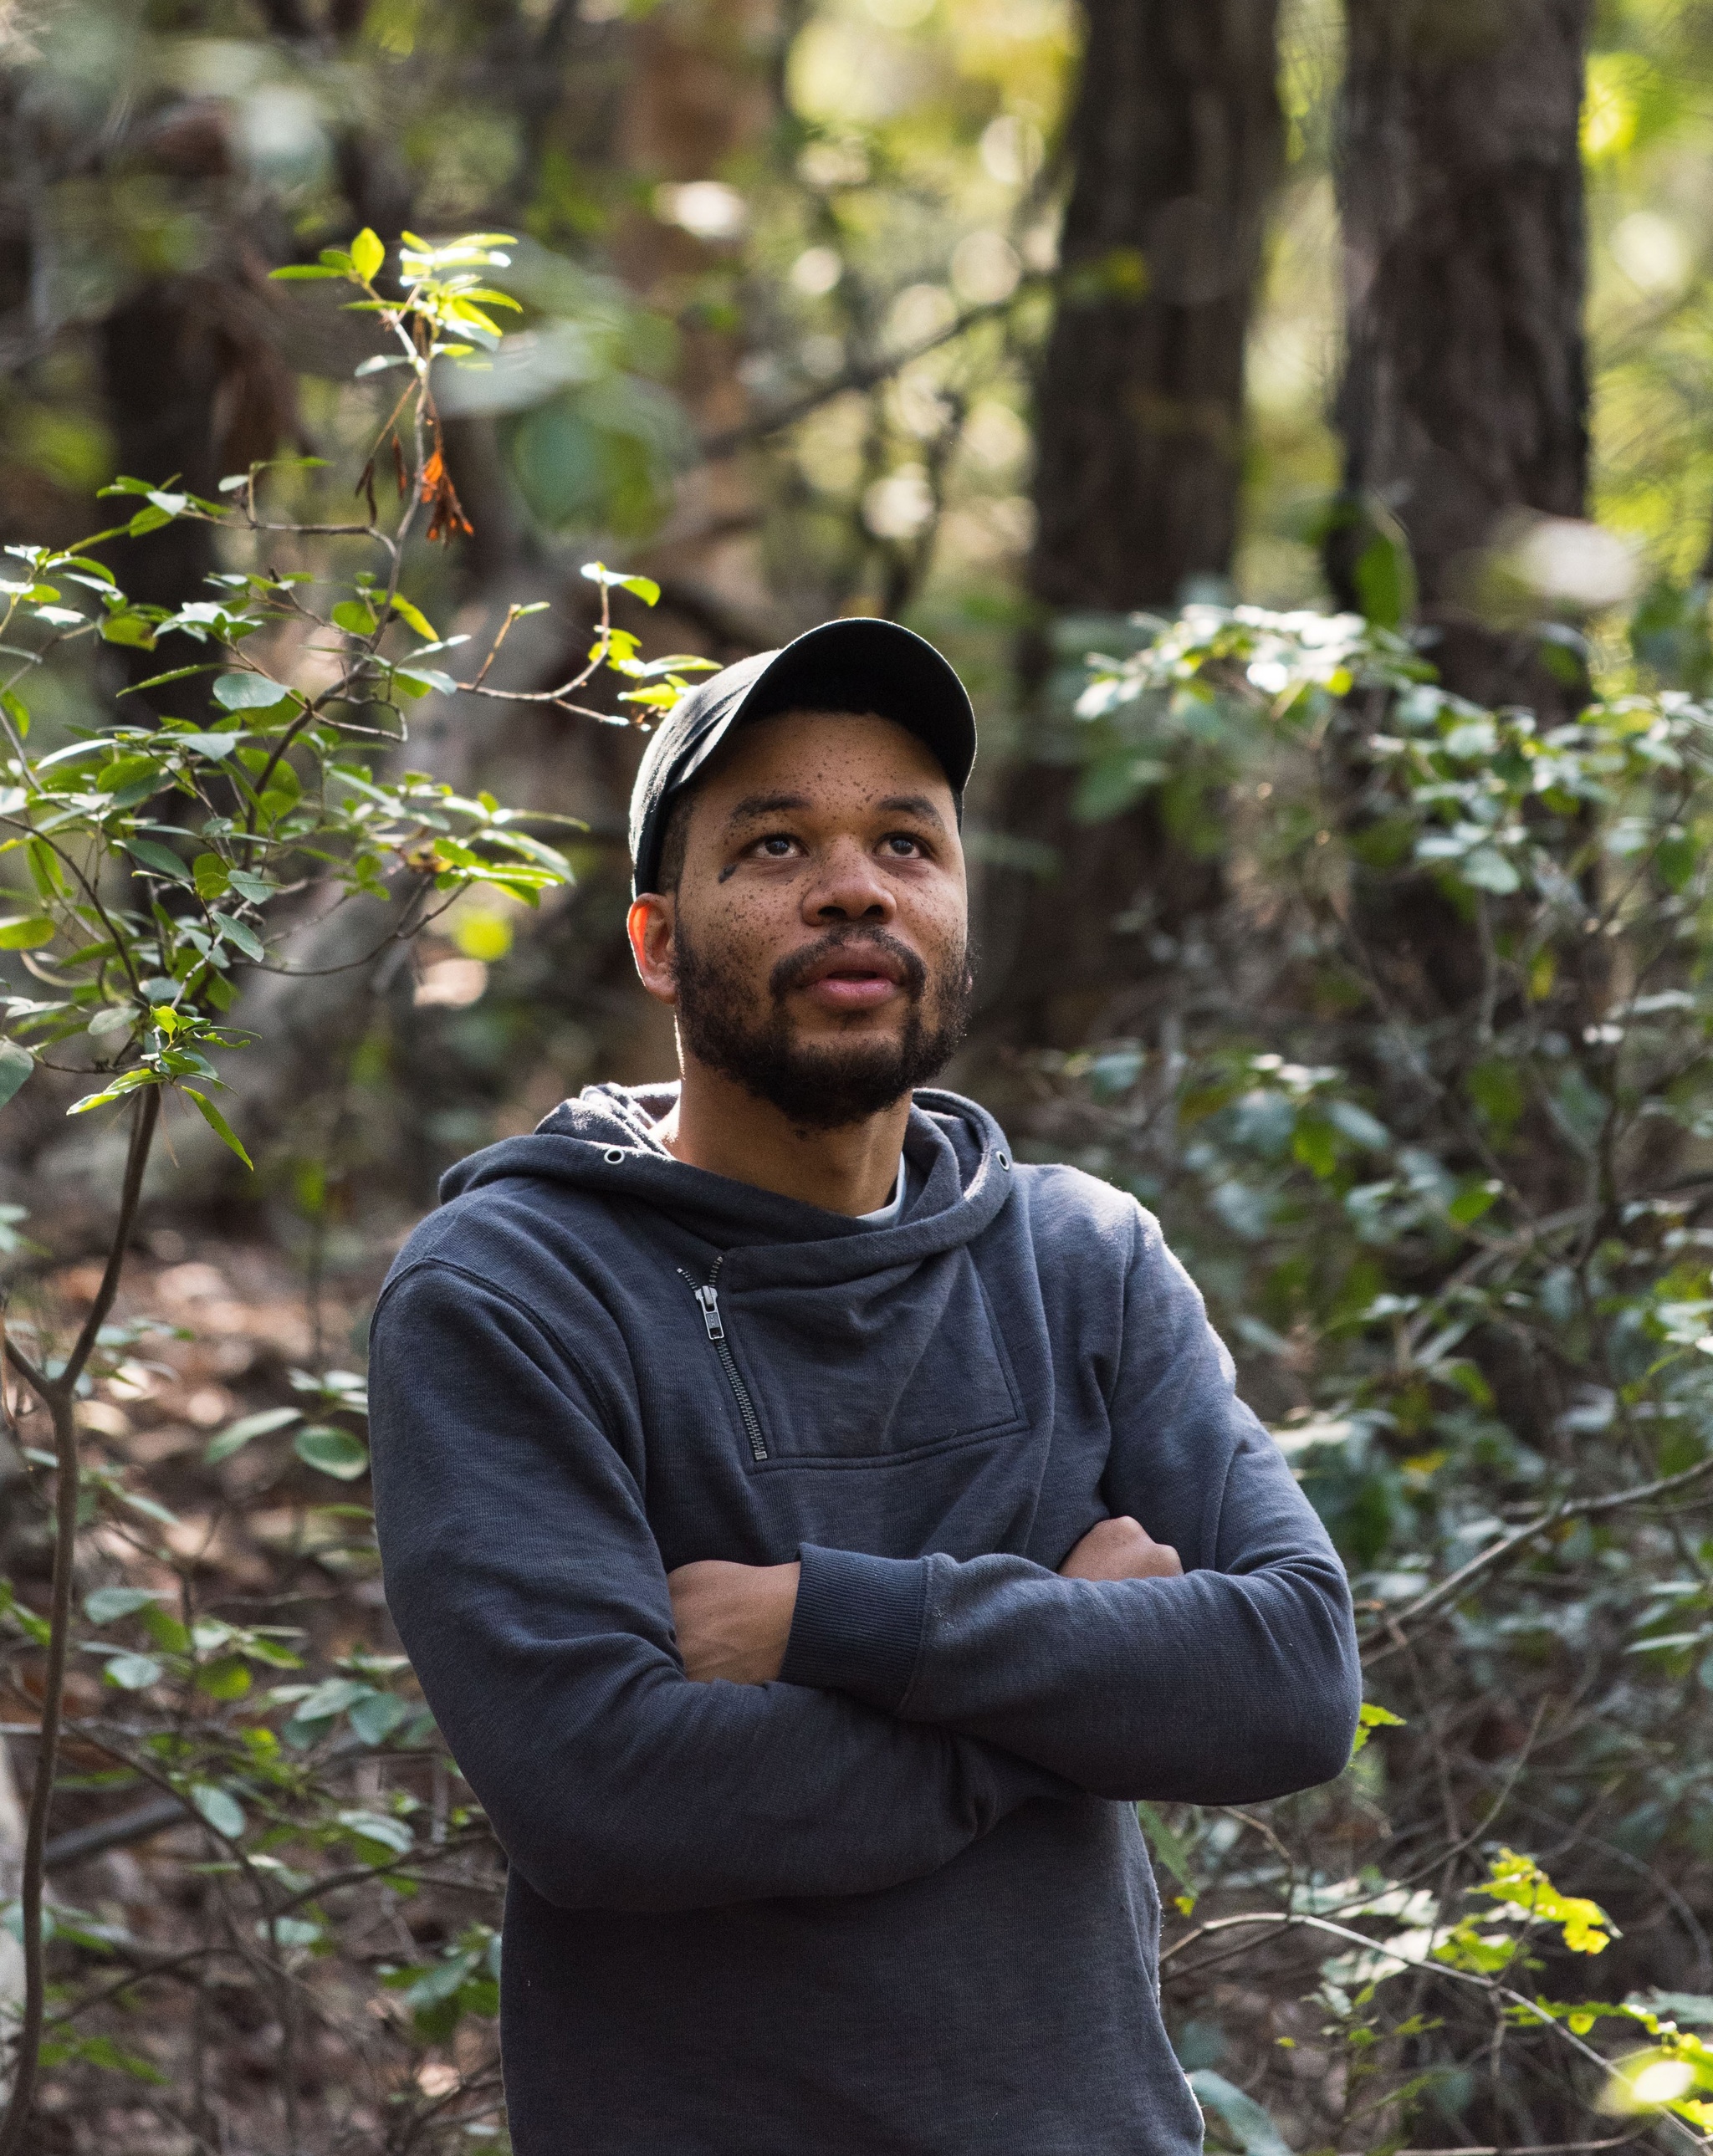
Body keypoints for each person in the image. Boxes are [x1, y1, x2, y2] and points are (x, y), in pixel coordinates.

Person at [368, 616, 1362, 2156]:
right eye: (774, 844)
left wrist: (832, 1621)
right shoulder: (511, 1291)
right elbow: (606, 1797)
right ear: (655, 939)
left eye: (908, 840)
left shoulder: (1081, 1257)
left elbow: (1292, 1678)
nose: (855, 885)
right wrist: (1080, 1669)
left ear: (959, 908)